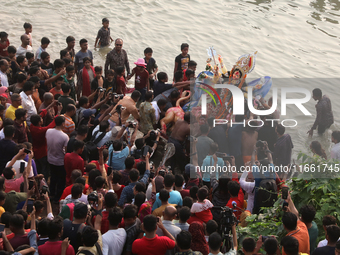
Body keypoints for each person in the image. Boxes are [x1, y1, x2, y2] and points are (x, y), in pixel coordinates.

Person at [46, 116, 69, 202]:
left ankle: (51, 193)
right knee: (61, 180)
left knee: (53, 177)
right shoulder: (65, 136)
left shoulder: (48, 131)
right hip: (60, 161)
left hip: (50, 159)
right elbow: (66, 151)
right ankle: (57, 197)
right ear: (63, 124)